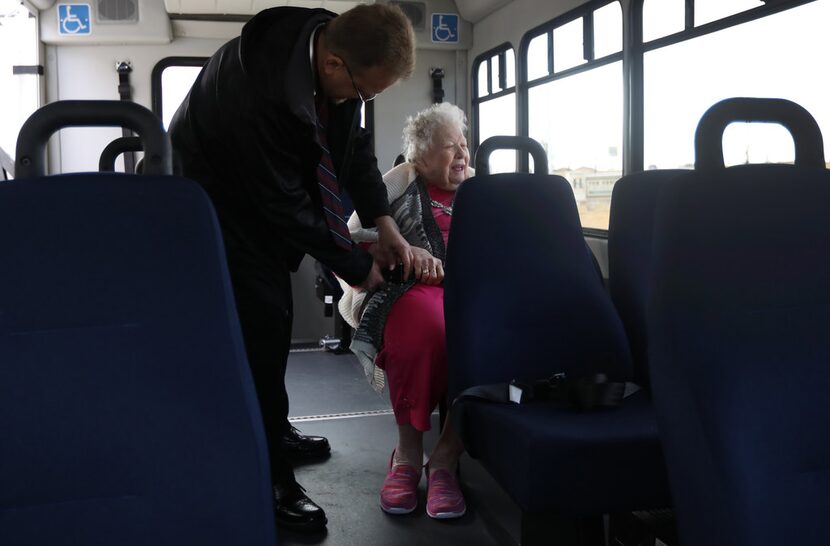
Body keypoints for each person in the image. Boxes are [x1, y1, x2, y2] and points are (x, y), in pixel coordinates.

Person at [168, 4, 416, 533]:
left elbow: (355, 150)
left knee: (275, 315)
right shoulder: (256, 91)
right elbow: (283, 204)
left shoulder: (337, 50)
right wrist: (354, 264)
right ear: (332, 65)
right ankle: (270, 479)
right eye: (364, 92)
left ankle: (274, 430)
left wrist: (383, 220)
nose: (361, 101)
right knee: (260, 323)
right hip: (212, 199)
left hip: (260, 195)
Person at [338, 103, 473, 519]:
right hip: (410, 289)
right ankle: (407, 457)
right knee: (424, 328)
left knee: (489, 336)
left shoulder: (481, 188)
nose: (463, 154)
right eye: (451, 147)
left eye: (465, 144)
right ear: (421, 157)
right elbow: (351, 231)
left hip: (473, 291)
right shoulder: (401, 180)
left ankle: (446, 459)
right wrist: (403, 248)